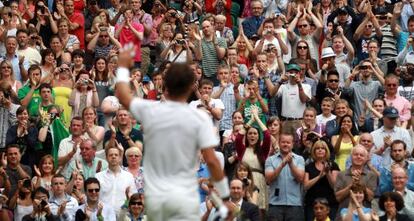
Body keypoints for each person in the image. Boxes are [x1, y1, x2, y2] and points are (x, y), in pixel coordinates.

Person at [114, 46, 233, 220]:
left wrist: (123, 65)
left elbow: (123, 95)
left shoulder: (152, 110)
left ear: (165, 85)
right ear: (190, 88)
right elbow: (213, 162)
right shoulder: (199, 118)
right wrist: (224, 197)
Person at [265, 133, 305, 221]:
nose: (285, 144)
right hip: (275, 204)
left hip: (294, 205)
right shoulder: (270, 160)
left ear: (292, 144)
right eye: (283, 142)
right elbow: (269, 179)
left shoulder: (299, 159)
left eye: (288, 142)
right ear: (279, 143)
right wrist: (282, 164)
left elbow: (300, 178)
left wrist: (290, 163)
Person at [95, 145, 136, 216]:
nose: (113, 157)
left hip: (123, 216)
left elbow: (133, 197)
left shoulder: (129, 176)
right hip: (104, 216)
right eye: (110, 155)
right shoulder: (98, 176)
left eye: (116, 155)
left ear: (120, 158)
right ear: (106, 158)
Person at [304, 140, 340, 221]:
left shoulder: (333, 165)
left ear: (326, 151)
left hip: (330, 204)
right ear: (314, 151)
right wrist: (319, 176)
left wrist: (327, 173)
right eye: (317, 148)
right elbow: (305, 186)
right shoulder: (309, 166)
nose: (320, 150)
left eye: (322, 148)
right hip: (312, 204)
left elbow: (334, 186)